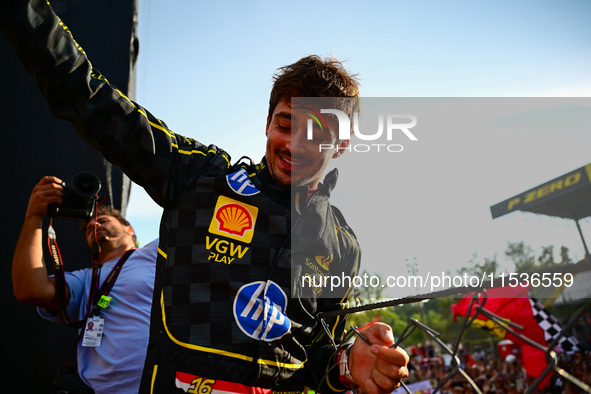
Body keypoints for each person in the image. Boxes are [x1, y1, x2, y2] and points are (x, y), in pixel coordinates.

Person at [0, 1, 409, 393]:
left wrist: (346, 368)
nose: (296, 145)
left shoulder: (342, 247)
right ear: (267, 123)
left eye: (317, 134)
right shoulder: (201, 177)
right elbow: (91, 100)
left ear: (340, 145)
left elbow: (319, 358)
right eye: (286, 124)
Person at [12, 176, 159, 393]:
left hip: (163, 383)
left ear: (129, 229)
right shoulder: (85, 279)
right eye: (89, 228)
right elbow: (29, 290)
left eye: (104, 220)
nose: (95, 225)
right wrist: (34, 216)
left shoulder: (157, 253)